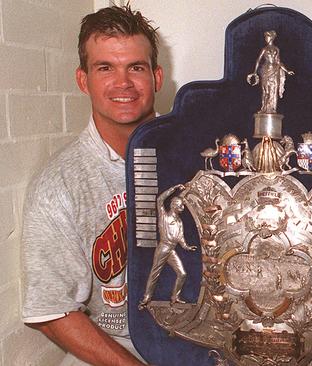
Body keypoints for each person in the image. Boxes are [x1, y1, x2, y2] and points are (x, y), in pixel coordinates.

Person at [21, 4, 163, 365]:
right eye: (105, 68)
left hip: (200, 338)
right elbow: (51, 311)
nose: (123, 83)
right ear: (83, 80)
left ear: (156, 78)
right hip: (115, 346)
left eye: (136, 67)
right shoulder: (59, 184)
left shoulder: (198, 153)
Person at [139, 184, 197, 308]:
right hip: (163, 247)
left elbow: (180, 237)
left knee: (182, 274)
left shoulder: (180, 222)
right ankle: (146, 297)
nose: (183, 208)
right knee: (155, 272)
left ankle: (175, 297)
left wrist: (187, 246)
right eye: (180, 205)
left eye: (182, 205)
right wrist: (174, 188)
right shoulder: (164, 216)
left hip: (171, 250)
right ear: (173, 206)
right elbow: (160, 200)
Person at [247, 30, 294, 114]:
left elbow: (278, 61)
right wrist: (254, 72)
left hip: (275, 71)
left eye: (267, 37)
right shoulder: (264, 49)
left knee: (274, 90)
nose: (266, 38)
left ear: (271, 38)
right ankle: (264, 108)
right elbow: (258, 60)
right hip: (265, 71)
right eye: (265, 37)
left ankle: (273, 109)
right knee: (266, 91)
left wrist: (287, 71)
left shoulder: (276, 49)